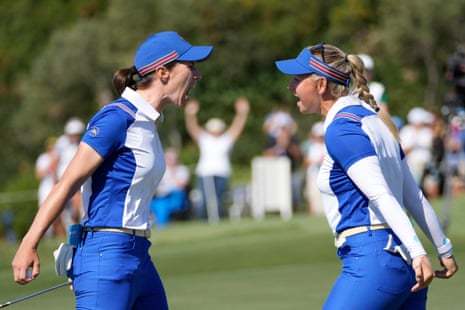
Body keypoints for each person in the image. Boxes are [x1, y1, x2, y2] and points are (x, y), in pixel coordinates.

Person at [12, 31, 213, 309]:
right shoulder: (117, 117)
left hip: (139, 255)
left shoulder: (149, 122)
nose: (197, 74)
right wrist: (29, 243)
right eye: (190, 66)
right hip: (107, 255)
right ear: (163, 72)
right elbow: (68, 182)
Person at [275, 42, 458, 309]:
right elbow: (413, 195)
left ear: (321, 85)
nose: (291, 87)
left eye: (297, 79)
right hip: (403, 264)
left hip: (375, 260)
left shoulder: (342, 129)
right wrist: (442, 249)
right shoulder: (375, 121)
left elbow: (381, 194)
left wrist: (421, 252)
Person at [184, 97, 249, 222]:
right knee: (204, 201)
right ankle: (203, 223)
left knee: (219, 200)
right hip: (205, 173)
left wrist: (242, 113)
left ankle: (219, 221)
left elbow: (237, 127)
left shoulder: (226, 139)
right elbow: (192, 128)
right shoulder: (204, 139)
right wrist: (190, 114)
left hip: (222, 172)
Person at [55, 117, 86, 229]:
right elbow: (56, 161)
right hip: (62, 179)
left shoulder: (83, 144)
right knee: (63, 207)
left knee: (76, 204)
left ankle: (76, 225)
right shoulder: (62, 143)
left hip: (76, 179)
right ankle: (71, 227)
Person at [150, 148, 191, 228]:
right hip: (159, 197)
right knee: (160, 203)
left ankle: (160, 225)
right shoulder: (160, 171)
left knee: (162, 204)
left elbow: (182, 185)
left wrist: (172, 174)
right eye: (169, 158)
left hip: (176, 197)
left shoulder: (182, 170)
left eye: (173, 158)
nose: (171, 160)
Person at [35, 136, 65, 238]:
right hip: (46, 189)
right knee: (44, 212)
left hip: (58, 187)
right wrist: (51, 163)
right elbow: (39, 174)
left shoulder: (61, 158)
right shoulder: (43, 158)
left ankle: (59, 235)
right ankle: (47, 236)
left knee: (60, 213)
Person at [302, 121, 325, 215]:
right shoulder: (309, 145)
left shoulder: (328, 144)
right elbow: (306, 161)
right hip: (313, 174)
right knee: (313, 195)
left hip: (325, 174)